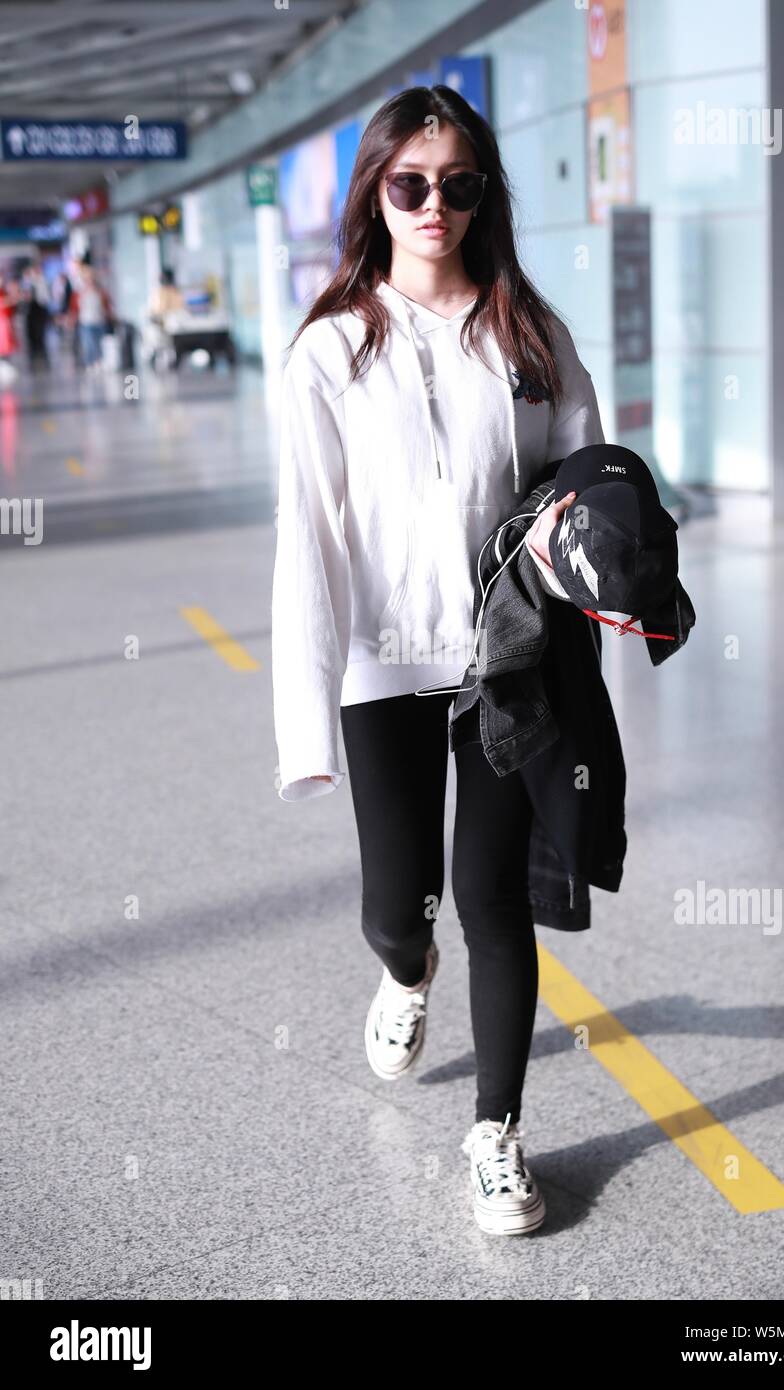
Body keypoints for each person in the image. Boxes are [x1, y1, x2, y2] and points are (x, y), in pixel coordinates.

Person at [271, 85, 605, 1237]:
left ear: (481, 193)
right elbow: (308, 541)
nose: (434, 205)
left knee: (489, 895)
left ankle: (496, 1134)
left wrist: (593, 547)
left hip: (499, 656)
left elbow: (585, 473)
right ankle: (404, 973)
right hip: (381, 665)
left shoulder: (528, 333)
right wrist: (303, 724)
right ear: (376, 188)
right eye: (410, 183)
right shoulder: (329, 350)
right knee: (396, 907)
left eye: (457, 184)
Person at [71, 263, 113, 373]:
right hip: (86, 322)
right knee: (89, 344)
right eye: (87, 278)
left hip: (99, 320)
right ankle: (91, 363)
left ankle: (100, 362)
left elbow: (107, 305)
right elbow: (74, 308)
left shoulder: (100, 292)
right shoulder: (79, 293)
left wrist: (110, 315)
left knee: (100, 344)